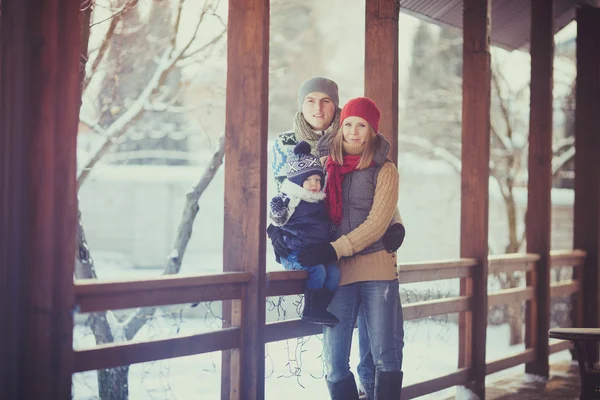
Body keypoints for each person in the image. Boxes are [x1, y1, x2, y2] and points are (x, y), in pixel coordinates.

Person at [267, 77, 405, 399]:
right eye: (311, 100)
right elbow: (285, 201)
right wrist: (279, 234)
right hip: (334, 263)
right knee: (334, 360)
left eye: (326, 101)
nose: (353, 131)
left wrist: (395, 223)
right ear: (301, 106)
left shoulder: (380, 166)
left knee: (380, 355)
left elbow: (381, 209)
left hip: (366, 261)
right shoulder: (319, 159)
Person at [269, 141, 340, 326]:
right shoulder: (292, 198)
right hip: (294, 251)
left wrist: (332, 232)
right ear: (297, 182)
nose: (314, 184)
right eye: (308, 180)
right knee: (318, 272)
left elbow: (322, 224)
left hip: (314, 252)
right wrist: (277, 210)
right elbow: (278, 219)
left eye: (317, 180)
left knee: (333, 273)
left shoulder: (317, 201)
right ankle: (310, 309)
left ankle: (320, 308)